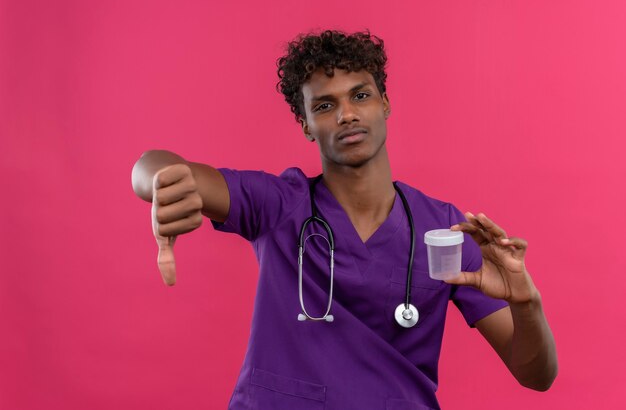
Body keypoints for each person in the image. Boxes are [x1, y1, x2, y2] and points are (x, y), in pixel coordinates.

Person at [131, 30, 557, 409]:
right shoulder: (278, 205)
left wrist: (525, 303)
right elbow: (160, 166)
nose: (346, 114)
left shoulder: (444, 232)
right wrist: (162, 181)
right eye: (324, 105)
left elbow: (536, 376)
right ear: (306, 124)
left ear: (385, 103)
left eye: (360, 95)